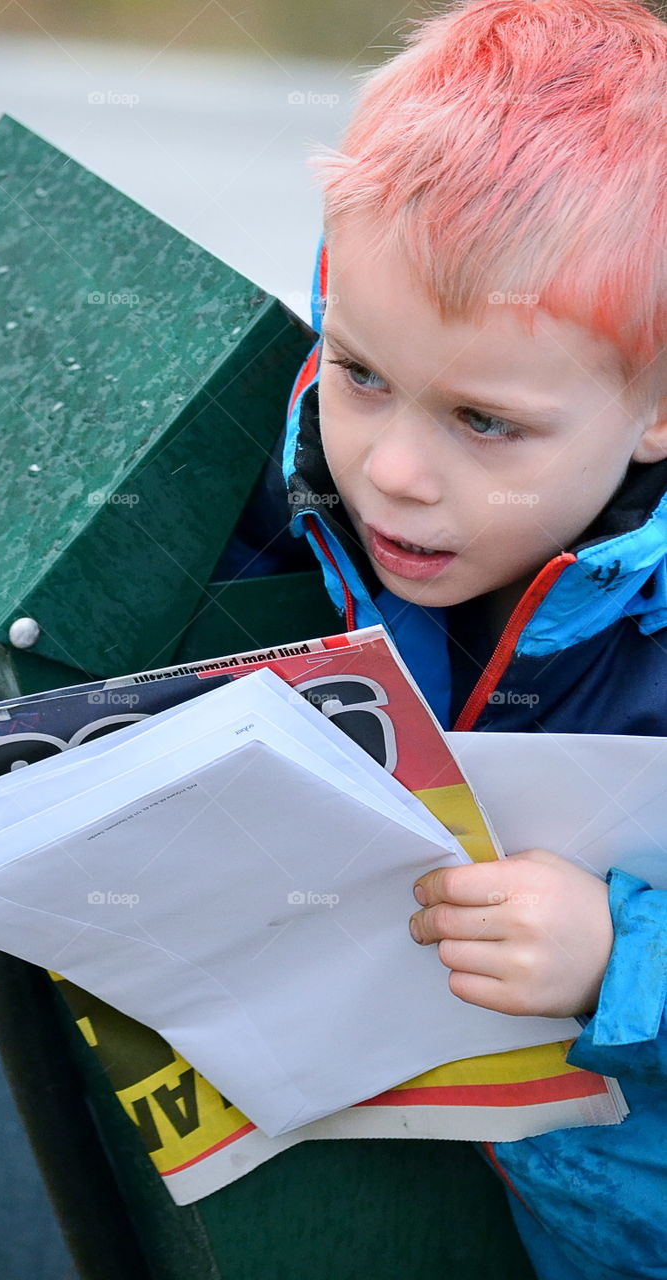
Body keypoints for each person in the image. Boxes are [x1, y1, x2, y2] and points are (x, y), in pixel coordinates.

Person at [252, 0, 666, 1275]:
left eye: (484, 421)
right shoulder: (307, 511)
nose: (391, 469)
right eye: (361, 372)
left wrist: (621, 953)